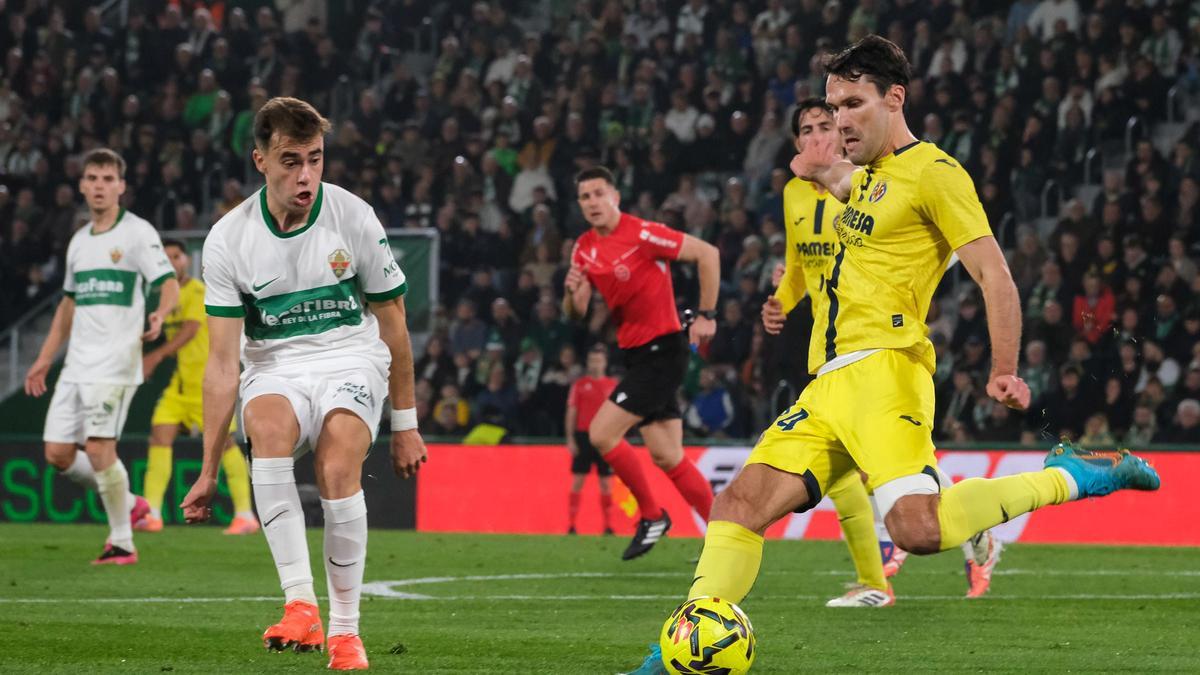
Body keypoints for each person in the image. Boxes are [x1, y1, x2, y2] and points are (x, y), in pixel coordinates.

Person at [625, 36, 1159, 674]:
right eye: (831, 105)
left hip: (886, 372)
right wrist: (821, 173)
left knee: (918, 531)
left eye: (852, 104)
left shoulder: (935, 173)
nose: (839, 119)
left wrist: (1005, 369)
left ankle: (1077, 472)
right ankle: (672, 656)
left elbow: (994, 273)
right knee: (738, 504)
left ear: (894, 99)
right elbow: (861, 199)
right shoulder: (870, 179)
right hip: (827, 385)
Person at [179, 97, 428, 671]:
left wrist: (407, 426)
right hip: (275, 365)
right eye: (290, 160)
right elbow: (222, 364)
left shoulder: (354, 216)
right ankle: (301, 606)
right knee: (264, 423)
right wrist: (209, 468)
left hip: (350, 356)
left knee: (338, 467)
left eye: (315, 159)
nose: (306, 175)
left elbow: (394, 326)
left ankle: (345, 632)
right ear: (260, 160)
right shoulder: (227, 239)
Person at [24, 148, 180, 565]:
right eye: (92, 178)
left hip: (115, 363)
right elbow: (67, 307)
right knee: (57, 453)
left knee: (97, 449)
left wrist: (161, 313)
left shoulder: (137, 233)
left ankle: (122, 542)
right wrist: (43, 358)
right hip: (76, 365)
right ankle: (130, 501)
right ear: (82, 184)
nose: (99, 186)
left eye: (108, 179)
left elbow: (168, 283)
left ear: (121, 186)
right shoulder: (78, 242)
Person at [565, 165, 720, 561]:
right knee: (668, 455)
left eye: (600, 193)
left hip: (663, 350)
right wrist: (571, 293)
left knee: (601, 434)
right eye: (585, 196)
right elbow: (577, 313)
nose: (593, 202)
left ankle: (652, 515)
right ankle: (724, 535)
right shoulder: (583, 247)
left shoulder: (642, 233)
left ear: (615, 196)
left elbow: (708, 253)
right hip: (636, 355)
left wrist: (706, 314)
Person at [134, 239, 259, 535]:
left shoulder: (196, 291)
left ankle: (245, 515)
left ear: (186, 261)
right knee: (159, 436)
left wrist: (155, 355)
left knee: (224, 444)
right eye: (165, 258)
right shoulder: (165, 296)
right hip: (180, 387)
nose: (171, 262)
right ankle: (152, 512)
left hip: (208, 385)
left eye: (176, 256)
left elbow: (190, 330)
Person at [564, 344, 619, 535]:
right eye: (592, 360)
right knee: (578, 480)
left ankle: (608, 525)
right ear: (588, 362)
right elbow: (572, 412)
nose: (595, 364)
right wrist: (570, 438)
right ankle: (571, 524)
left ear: (605, 362)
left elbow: (618, 414)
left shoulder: (612, 385)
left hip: (605, 436)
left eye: (599, 360)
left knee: (605, 482)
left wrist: (616, 436)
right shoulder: (579, 385)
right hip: (583, 436)